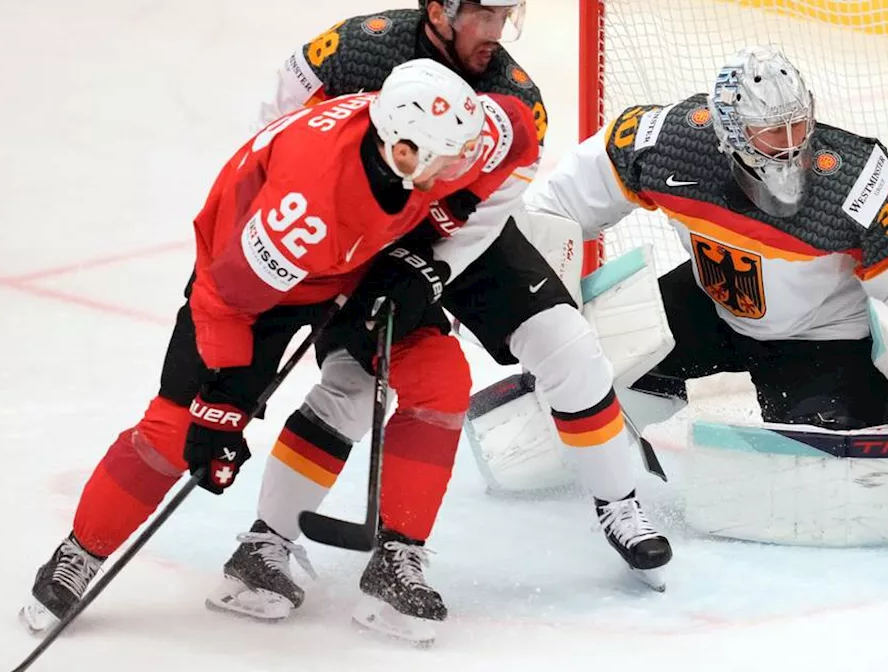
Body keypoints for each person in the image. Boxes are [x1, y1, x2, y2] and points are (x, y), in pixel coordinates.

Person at [19, 58, 539, 635]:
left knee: (440, 378)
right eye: (446, 164)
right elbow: (227, 299)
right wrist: (222, 405)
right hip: (251, 283)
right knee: (178, 431)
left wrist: (439, 234)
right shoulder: (306, 207)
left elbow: (519, 135)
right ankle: (78, 556)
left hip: (359, 261)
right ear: (400, 151)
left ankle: (395, 560)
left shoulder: (445, 137)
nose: (460, 168)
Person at [208, 0, 672, 634]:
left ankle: (619, 502)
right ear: (439, 9)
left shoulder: (516, 97)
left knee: (569, 346)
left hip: (458, 234)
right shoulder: (357, 47)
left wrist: (434, 267)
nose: (497, 33)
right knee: (351, 385)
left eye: (507, 16)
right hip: (358, 237)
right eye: (485, 15)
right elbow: (280, 137)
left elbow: (499, 196)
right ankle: (265, 544)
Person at [514, 44, 888, 549]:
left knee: (818, 482)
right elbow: (559, 205)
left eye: (799, 123)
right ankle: (578, 458)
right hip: (709, 303)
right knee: (594, 369)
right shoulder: (665, 141)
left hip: (822, 338)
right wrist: (535, 297)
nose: (793, 143)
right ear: (729, 131)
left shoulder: (854, 177)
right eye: (771, 132)